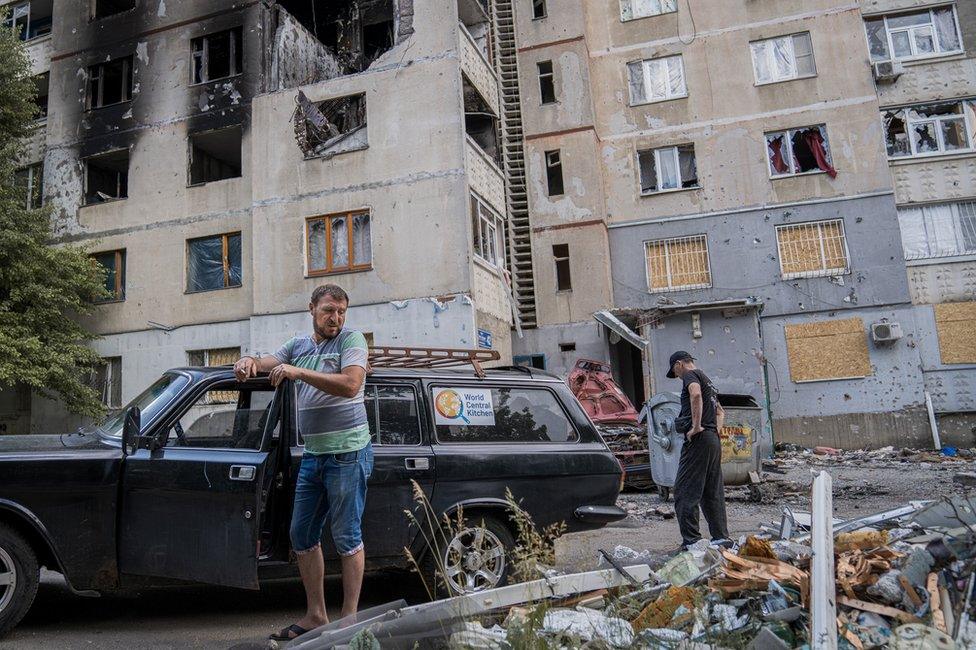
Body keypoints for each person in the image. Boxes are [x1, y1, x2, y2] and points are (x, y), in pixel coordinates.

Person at [234, 284, 372, 642]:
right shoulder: (298, 345)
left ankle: (349, 620)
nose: (336, 318)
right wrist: (249, 361)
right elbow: (269, 362)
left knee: (347, 537)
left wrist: (298, 373)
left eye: (341, 311)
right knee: (301, 535)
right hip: (314, 454)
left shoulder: (351, 340)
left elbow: (351, 385)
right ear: (312, 308)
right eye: (329, 310)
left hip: (348, 453)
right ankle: (315, 615)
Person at [666, 351, 730, 549]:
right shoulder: (708, 381)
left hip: (699, 440)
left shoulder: (690, 375)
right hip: (712, 439)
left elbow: (695, 394)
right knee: (712, 492)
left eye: (675, 372)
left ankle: (691, 542)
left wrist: (696, 427)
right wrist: (713, 431)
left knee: (684, 491)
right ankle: (721, 538)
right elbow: (720, 411)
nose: (677, 376)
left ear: (679, 364)